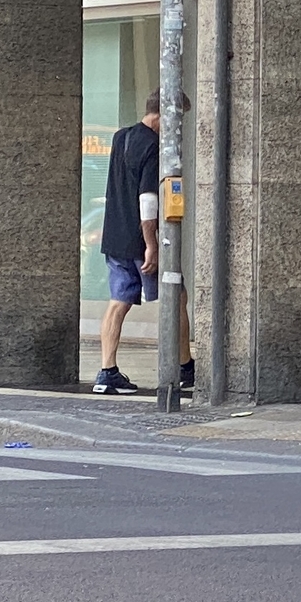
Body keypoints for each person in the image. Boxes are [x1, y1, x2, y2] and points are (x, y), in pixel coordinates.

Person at [92, 90, 193, 397]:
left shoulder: (121, 137)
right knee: (176, 296)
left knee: (118, 302)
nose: (178, 126)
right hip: (140, 239)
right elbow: (147, 200)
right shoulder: (152, 146)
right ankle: (184, 367)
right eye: (177, 118)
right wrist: (151, 245)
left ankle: (107, 372)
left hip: (115, 236)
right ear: (163, 114)